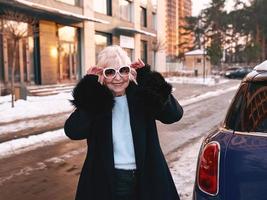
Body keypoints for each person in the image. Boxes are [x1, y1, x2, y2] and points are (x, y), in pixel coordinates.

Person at [64, 45, 183, 200]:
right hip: (109, 179)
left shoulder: (142, 96)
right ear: (102, 75)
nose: (118, 77)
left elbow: (173, 115)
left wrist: (149, 80)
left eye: (123, 70)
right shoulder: (96, 100)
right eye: (110, 72)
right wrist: (90, 90)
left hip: (146, 176)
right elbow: (73, 131)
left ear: (130, 72)